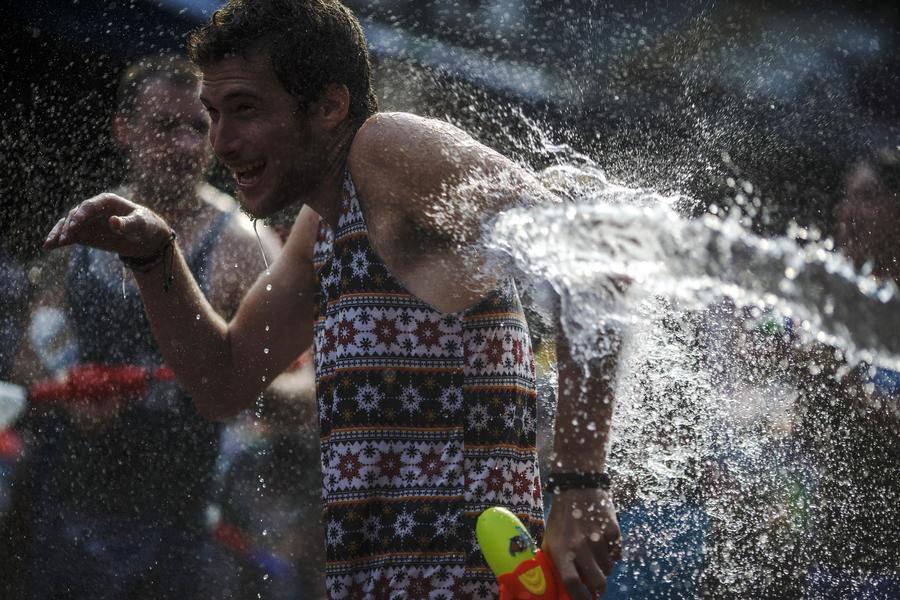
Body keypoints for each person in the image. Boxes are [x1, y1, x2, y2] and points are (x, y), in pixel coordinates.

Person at [43, 1, 623, 598]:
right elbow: (223, 383)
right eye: (213, 114)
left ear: (328, 106)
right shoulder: (321, 224)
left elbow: (593, 257)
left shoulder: (385, 146)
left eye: (245, 110)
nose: (221, 142)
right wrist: (155, 258)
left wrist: (581, 484)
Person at [11, 52, 278, 599]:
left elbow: (299, 386)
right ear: (123, 130)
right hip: (63, 505)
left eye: (198, 128)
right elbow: (27, 358)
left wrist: (234, 381)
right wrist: (68, 388)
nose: (185, 145)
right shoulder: (86, 226)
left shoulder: (243, 246)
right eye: (164, 126)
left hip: (179, 527)